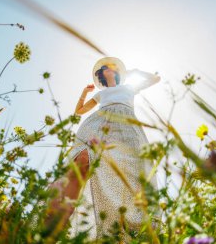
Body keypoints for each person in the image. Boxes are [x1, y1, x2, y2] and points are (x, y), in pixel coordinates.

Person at [43, 57, 161, 242]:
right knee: (81, 162)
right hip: (98, 124)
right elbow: (80, 111)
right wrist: (84, 93)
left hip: (126, 128)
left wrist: (135, 71)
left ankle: (128, 233)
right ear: (102, 74)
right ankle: (47, 232)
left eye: (113, 67)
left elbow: (155, 79)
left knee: (130, 179)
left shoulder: (129, 88)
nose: (110, 68)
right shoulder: (101, 94)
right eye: (106, 67)